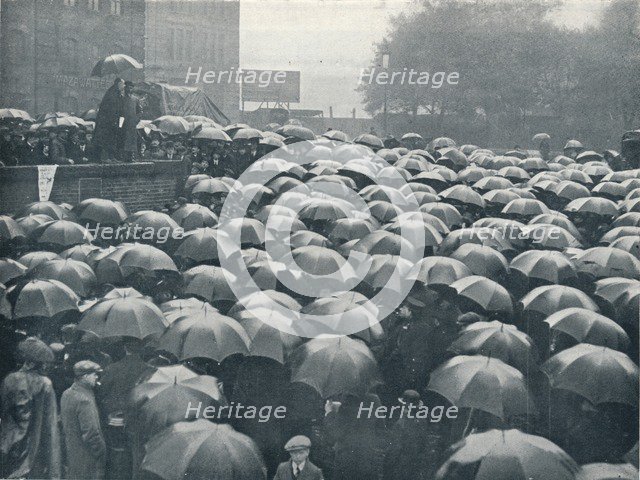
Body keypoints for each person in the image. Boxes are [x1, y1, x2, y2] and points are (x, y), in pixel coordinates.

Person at [0, 337, 61, 479]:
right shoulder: (45, 384)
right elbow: (51, 426)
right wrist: (55, 473)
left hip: (8, 448)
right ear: (35, 362)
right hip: (33, 453)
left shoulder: (9, 380)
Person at [60, 360, 106, 480]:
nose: (97, 377)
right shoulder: (84, 399)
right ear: (85, 376)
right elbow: (91, 433)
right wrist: (102, 453)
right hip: (88, 458)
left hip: (72, 454)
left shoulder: (67, 393)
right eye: (94, 374)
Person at [93, 77, 125, 162]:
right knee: (106, 139)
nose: (124, 86)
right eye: (122, 84)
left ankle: (111, 157)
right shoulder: (111, 94)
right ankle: (105, 157)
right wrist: (113, 121)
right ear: (118, 84)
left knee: (112, 139)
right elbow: (111, 109)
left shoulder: (118, 94)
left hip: (113, 121)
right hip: (107, 122)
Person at [119, 81, 142, 162]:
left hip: (132, 123)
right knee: (122, 138)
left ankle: (130, 156)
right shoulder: (121, 98)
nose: (129, 89)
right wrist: (120, 123)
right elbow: (119, 111)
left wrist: (136, 120)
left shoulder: (135, 99)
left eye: (131, 87)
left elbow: (140, 111)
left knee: (132, 140)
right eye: (128, 87)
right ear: (125, 88)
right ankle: (122, 156)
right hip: (123, 122)